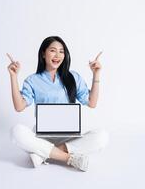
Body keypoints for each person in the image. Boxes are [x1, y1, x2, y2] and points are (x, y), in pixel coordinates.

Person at [7, 36, 109, 172]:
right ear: (43, 54)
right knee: (16, 131)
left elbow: (91, 102)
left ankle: (43, 154)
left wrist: (96, 74)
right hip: (42, 136)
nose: (57, 55)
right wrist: (13, 77)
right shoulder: (33, 80)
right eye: (53, 50)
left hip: (68, 137)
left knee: (102, 136)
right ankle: (69, 158)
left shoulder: (73, 77)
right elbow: (19, 107)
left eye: (61, 51)